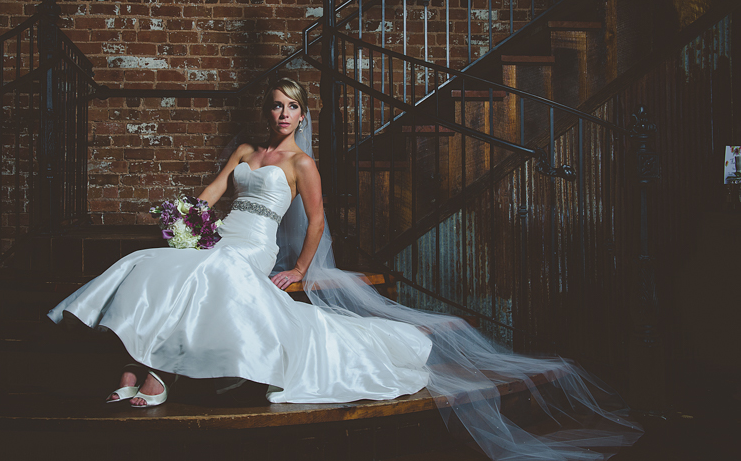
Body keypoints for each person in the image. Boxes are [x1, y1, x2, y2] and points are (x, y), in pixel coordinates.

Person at [48, 77, 642, 460]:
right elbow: (208, 196)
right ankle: (141, 363)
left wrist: (298, 270)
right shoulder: (245, 152)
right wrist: (183, 221)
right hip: (222, 238)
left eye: (291, 108)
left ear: (302, 114)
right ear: (267, 111)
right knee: (153, 263)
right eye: (275, 106)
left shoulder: (304, 165)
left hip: (254, 249)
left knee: (214, 277)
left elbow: (314, 222)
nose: (282, 114)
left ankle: (153, 379)